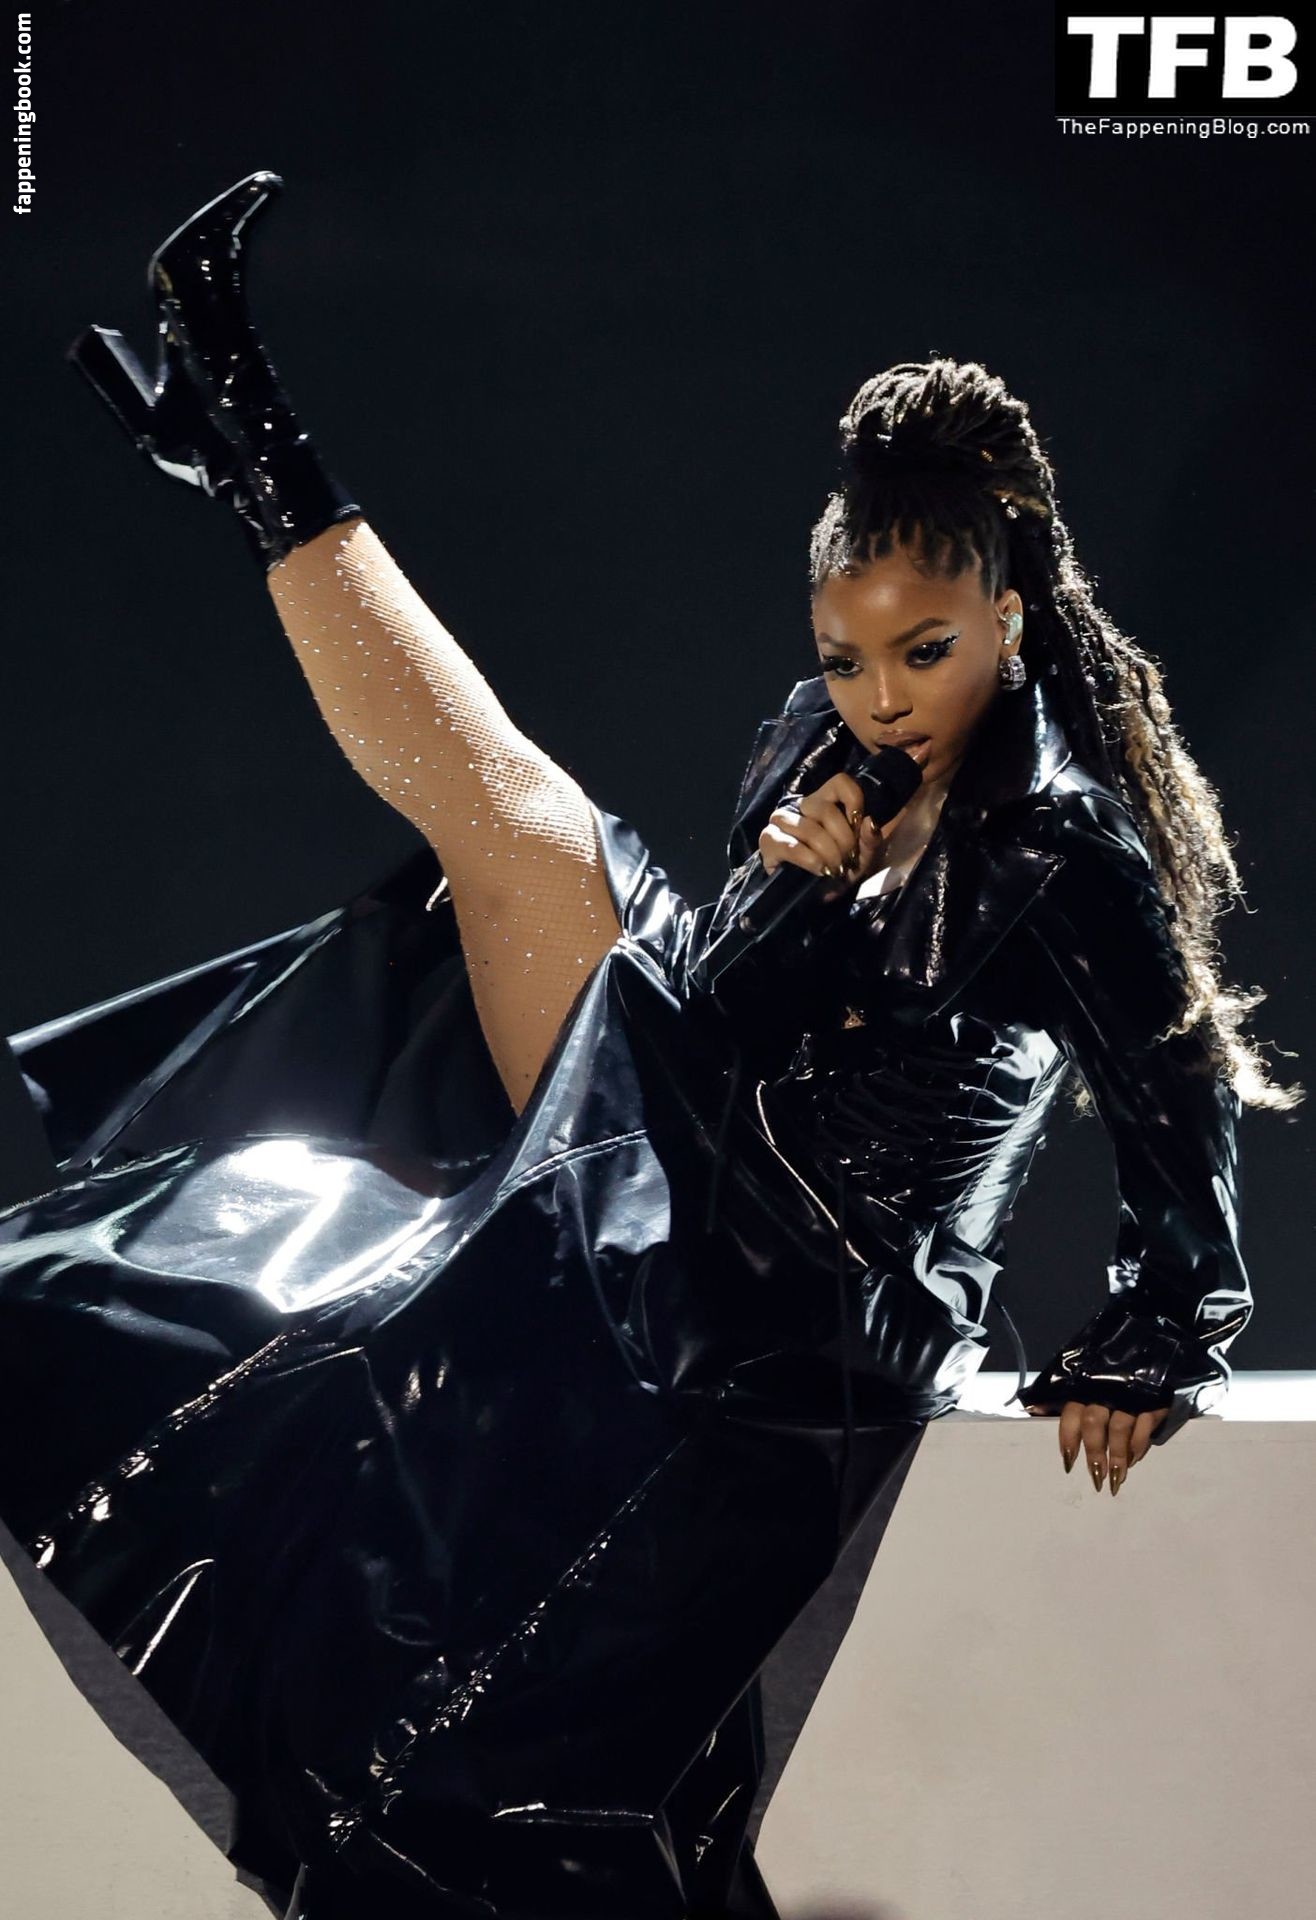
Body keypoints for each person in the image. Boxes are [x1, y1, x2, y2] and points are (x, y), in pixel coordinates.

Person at [0, 171, 1297, 1920]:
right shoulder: (822, 742)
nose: (882, 696)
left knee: (512, 823)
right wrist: (795, 892)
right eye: (846, 657)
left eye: (924, 652)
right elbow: (733, 1003)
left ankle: (237, 432)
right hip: (706, 1145)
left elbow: (1181, 1099)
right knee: (513, 824)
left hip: (826, 1276)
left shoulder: (1065, 853)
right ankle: (243, 427)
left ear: (1010, 614)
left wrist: (1161, 1336)